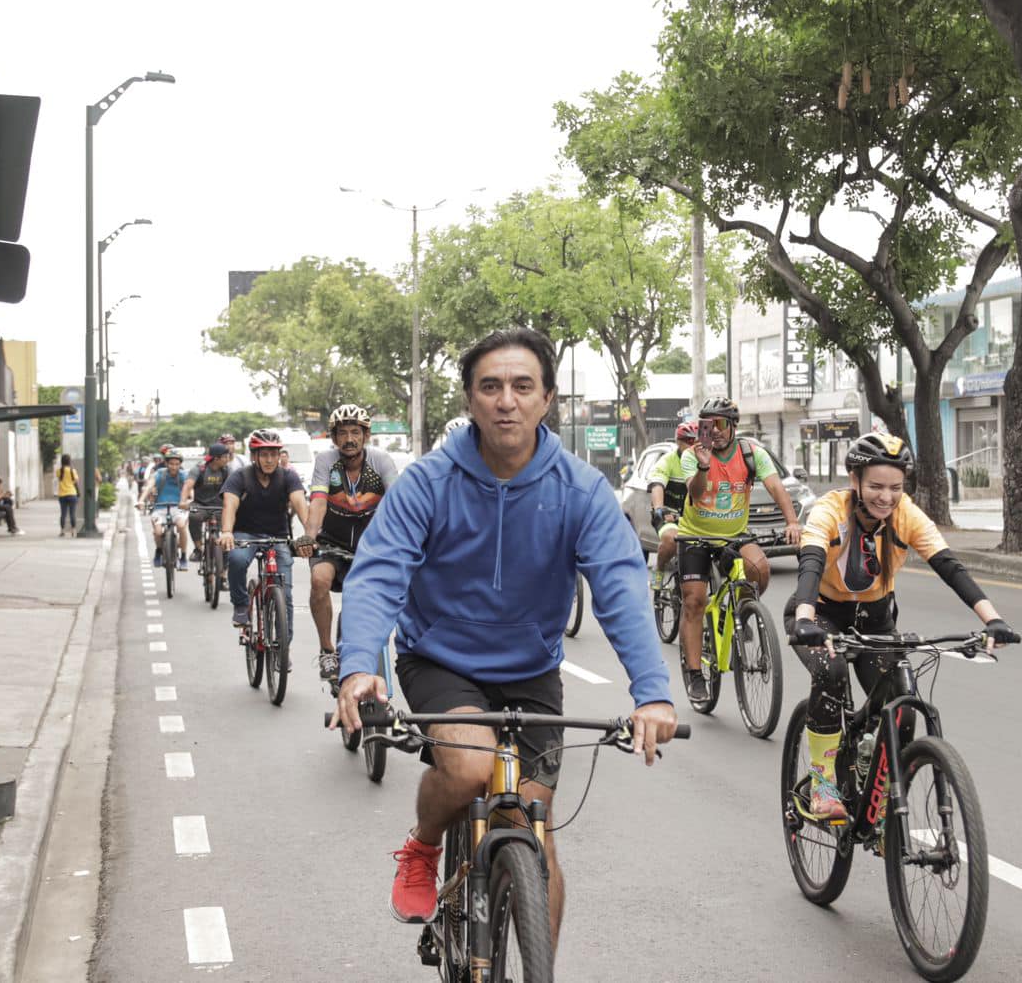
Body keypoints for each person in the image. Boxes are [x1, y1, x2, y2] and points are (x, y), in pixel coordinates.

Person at [332, 327, 677, 941]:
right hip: (438, 658)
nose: (506, 400)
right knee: (468, 768)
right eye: (490, 387)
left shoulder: (581, 490)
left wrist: (652, 692)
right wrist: (359, 665)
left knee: (533, 826)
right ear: (470, 400)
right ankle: (423, 845)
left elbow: (622, 589)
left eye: (523, 386)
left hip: (531, 669)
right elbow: (379, 573)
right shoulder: (427, 482)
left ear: (547, 400)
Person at [786, 432, 1015, 820]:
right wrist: (806, 619)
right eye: (875, 486)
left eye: (895, 487)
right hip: (820, 615)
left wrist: (992, 619)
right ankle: (823, 783)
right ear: (854, 480)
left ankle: (880, 795)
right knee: (832, 671)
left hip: (876, 619)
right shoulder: (830, 510)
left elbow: (948, 565)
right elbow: (810, 561)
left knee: (902, 708)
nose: (886, 497)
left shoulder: (905, 514)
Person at [675, 398, 802, 704]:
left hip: (734, 534)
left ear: (733, 427)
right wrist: (705, 465)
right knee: (694, 600)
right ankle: (695, 673)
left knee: (759, 570)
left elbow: (775, 487)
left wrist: (793, 522)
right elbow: (696, 492)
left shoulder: (751, 453)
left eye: (720, 424)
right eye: (708, 425)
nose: (714, 432)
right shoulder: (693, 455)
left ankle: (744, 613)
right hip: (695, 536)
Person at [304, 404, 401, 683]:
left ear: (366, 435)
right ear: (334, 438)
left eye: (355, 432)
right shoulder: (326, 461)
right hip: (331, 542)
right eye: (343, 433)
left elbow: (397, 503)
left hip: (371, 547)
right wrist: (309, 537)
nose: (349, 438)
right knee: (319, 579)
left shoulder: (381, 461)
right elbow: (319, 501)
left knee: (363, 601)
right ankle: (327, 651)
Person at [219, 429, 314, 631]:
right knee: (236, 559)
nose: (270, 460)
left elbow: (300, 504)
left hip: (278, 537)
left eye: (274, 454)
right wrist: (227, 531)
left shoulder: (289, 476)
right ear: (255, 456)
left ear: (280, 455)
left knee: (285, 594)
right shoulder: (240, 477)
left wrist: (310, 534)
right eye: (264, 454)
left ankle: (283, 651)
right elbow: (230, 505)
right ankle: (241, 604)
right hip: (245, 534)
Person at [646, 420, 698, 588]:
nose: (693, 446)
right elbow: (657, 485)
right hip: (669, 515)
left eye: (696, 441)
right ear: (678, 442)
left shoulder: (704, 461)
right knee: (670, 540)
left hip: (695, 517)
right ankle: (659, 569)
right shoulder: (667, 461)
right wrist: (659, 508)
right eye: (688, 441)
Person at [139, 450, 191, 569]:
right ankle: (159, 550)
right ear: (166, 464)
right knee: (157, 532)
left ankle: (183, 556)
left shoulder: (183, 475)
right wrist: (141, 500)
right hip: (160, 507)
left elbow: (189, 489)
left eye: (177, 464)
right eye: (171, 464)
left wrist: (190, 500)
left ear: (180, 464)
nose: (174, 466)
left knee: (182, 526)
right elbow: (149, 487)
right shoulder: (159, 474)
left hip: (178, 508)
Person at [182, 444, 233, 563]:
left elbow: (234, 488)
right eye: (225, 457)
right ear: (216, 459)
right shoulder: (199, 469)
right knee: (194, 516)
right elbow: (188, 485)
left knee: (230, 528)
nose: (228, 459)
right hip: (201, 505)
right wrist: (183, 501)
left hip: (220, 506)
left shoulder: (227, 470)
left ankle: (223, 569)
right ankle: (198, 548)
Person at [56, 454, 81, 537]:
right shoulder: (72, 470)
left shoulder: (59, 471)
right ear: (69, 461)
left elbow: (59, 478)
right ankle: (73, 531)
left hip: (62, 494)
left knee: (63, 513)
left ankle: (62, 531)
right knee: (72, 513)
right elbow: (76, 481)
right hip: (72, 494)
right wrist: (78, 492)